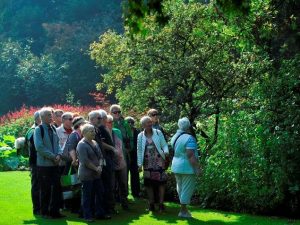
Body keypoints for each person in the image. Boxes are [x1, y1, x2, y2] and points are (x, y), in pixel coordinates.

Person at [33, 107, 65, 219]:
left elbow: (58, 144)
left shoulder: (53, 128)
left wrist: (59, 155)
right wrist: (53, 156)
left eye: (51, 114)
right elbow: (39, 147)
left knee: (56, 188)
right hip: (44, 165)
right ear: (41, 117)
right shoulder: (38, 130)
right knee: (45, 190)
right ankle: (45, 212)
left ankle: (55, 212)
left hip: (55, 164)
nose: (51, 116)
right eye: (48, 115)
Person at [76, 123, 110, 222]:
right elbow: (85, 161)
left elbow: (100, 156)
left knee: (100, 193)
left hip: (96, 174)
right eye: (91, 131)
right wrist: (96, 168)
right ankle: (87, 215)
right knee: (87, 196)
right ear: (84, 133)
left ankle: (100, 213)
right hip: (86, 174)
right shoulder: (81, 145)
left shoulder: (95, 142)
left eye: (94, 130)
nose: (94, 132)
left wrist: (100, 166)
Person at [170, 117, 201, 218]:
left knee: (181, 188)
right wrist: (197, 168)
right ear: (188, 126)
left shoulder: (174, 136)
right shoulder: (189, 138)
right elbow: (190, 155)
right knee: (187, 189)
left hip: (176, 165)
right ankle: (183, 211)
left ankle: (184, 209)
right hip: (186, 167)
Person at [137, 116, 169, 212]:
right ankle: (151, 204)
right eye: (147, 122)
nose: (150, 124)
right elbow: (139, 150)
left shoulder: (158, 133)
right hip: (147, 163)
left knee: (161, 183)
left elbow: (164, 144)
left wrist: (166, 151)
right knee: (148, 184)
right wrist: (139, 164)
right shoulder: (140, 136)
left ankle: (161, 204)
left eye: (150, 122)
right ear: (143, 125)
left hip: (159, 162)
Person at [88, 110, 115, 215]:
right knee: (98, 188)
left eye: (101, 118)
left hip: (102, 161)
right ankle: (98, 211)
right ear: (92, 119)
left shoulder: (98, 129)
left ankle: (104, 209)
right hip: (95, 164)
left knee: (104, 186)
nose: (101, 120)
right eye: (99, 118)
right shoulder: (90, 130)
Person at [107, 115, 129, 210]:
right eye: (109, 122)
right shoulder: (103, 132)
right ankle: (112, 205)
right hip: (111, 162)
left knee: (123, 183)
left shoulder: (117, 131)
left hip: (121, 161)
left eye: (112, 121)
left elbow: (122, 146)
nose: (111, 123)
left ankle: (124, 202)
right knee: (111, 185)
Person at [24, 110, 41, 215]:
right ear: (38, 119)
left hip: (40, 162)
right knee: (36, 185)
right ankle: (37, 208)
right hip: (35, 162)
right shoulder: (32, 130)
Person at [125, 116, 140, 198]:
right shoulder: (124, 131)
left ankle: (136, 192)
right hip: (126, 154)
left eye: (132, 122)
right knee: (125, 174)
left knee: (135, 173)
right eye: (128, 122)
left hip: (135, 154)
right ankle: (125, 193)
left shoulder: (137, 131)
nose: (130, 124)